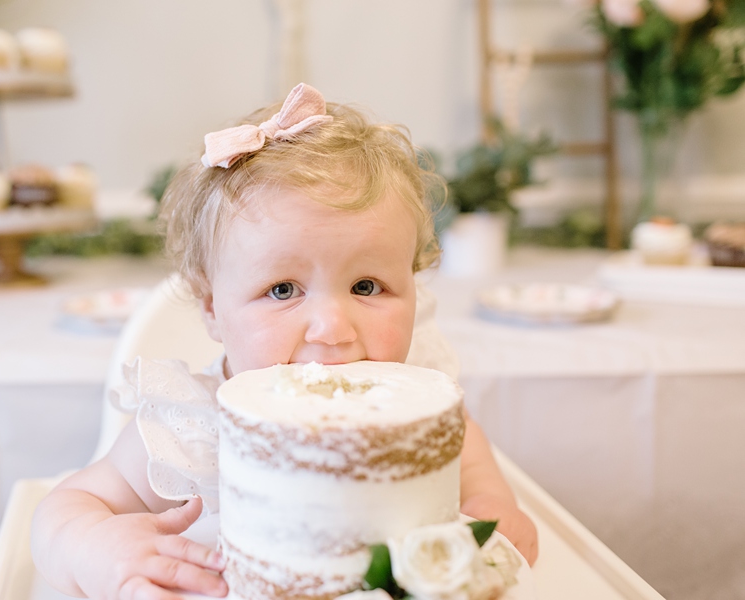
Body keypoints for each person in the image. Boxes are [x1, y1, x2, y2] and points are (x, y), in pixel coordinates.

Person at [31, 83, 538, 600]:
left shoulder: (417, 404)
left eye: (367, 286)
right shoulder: (194, 431)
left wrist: (492, 505)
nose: (332, 330)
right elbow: (64, 509)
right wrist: (93, 548)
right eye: (281, 290)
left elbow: (468, 456)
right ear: (212, 308)